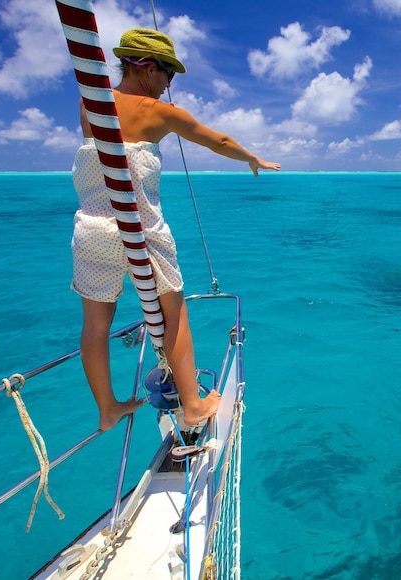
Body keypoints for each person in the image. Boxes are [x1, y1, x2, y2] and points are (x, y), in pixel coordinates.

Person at [71, 28, 280, 430]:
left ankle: (107, 409)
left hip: (92, 229)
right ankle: (194, 403)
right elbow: (216, 140)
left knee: (96, 326)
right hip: (140, 231)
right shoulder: (159, 112)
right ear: (149, 68)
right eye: (169, 75)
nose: (170, 85)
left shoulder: (88, 105)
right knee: (174, 313)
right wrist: (252, 158)